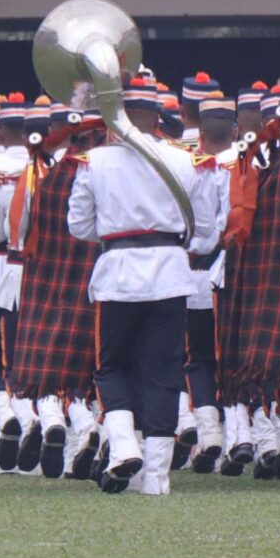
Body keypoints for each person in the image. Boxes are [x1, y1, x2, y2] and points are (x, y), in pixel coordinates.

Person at [69, 76, 218, 494]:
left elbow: (78, 226)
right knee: (164, 373)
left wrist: (117, 230)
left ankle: (122, 448)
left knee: (112, 367)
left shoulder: (94, 161)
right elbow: (205, 233)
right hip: (170, 274)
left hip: (117, 274)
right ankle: (156, 477)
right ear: (157, 117)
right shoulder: (185, 160)